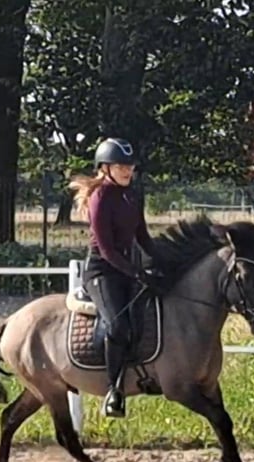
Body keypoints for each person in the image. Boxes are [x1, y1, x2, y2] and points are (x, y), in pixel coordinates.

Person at [68, 137, 164, 418]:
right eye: (121, 166)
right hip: (102, 272)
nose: (127, 171)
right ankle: (113, 390)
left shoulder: (132, 195)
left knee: (146, 317)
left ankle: (143, 374)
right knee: (118, 324)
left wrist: (162, 260)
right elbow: (107, 249)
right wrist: (137, 272)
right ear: (105, 167)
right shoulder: (100, 197)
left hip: (127, 267)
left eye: (130, 166)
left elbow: (142, 236)